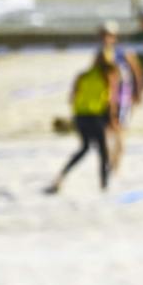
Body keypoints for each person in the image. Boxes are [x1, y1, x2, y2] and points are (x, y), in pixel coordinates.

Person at [47, 53, 116, 193]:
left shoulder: (82, 76)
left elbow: (72, 98)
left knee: (84, 148)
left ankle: (62, 176)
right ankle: (104, 185)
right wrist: (112, 119)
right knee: (103, 151)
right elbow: (109, 101)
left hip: (80, 117)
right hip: (96, 117)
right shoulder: (107, 77)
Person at [98, 21, 143, 174]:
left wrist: (138, 92)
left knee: (120, 130)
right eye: (103, 35)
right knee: (107, 130)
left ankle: (116, 165)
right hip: (106, 96)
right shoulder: (101, 53)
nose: (105, 38)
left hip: (123, 95)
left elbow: (137, 72)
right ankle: (112, 163)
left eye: (108, 35)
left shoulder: (123, 51)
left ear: (115, 36)